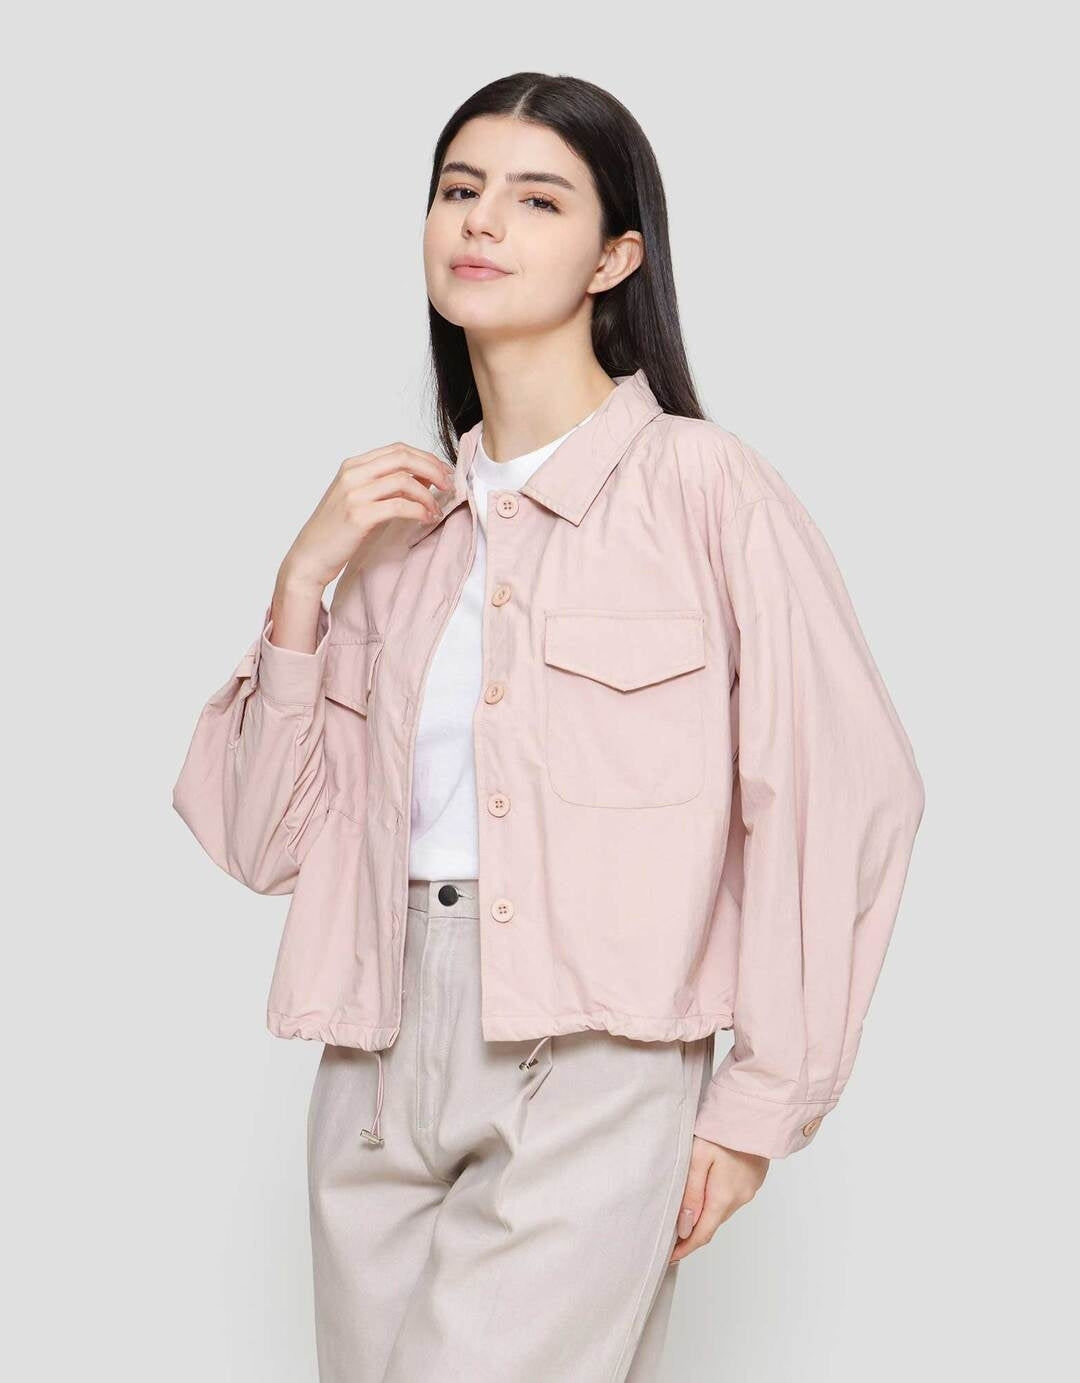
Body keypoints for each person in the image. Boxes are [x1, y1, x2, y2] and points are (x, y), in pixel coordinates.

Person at [172, 71, 925, 1383]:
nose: (482, 221)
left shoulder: (705, 490)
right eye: (459, 190)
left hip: (592, 1063)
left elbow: (842, 792)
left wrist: (760, 1100)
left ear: (615, 257)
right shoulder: (395, 534)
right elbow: (258, 842)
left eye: (537, 200)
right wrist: (303, 584)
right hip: (371, 1062)